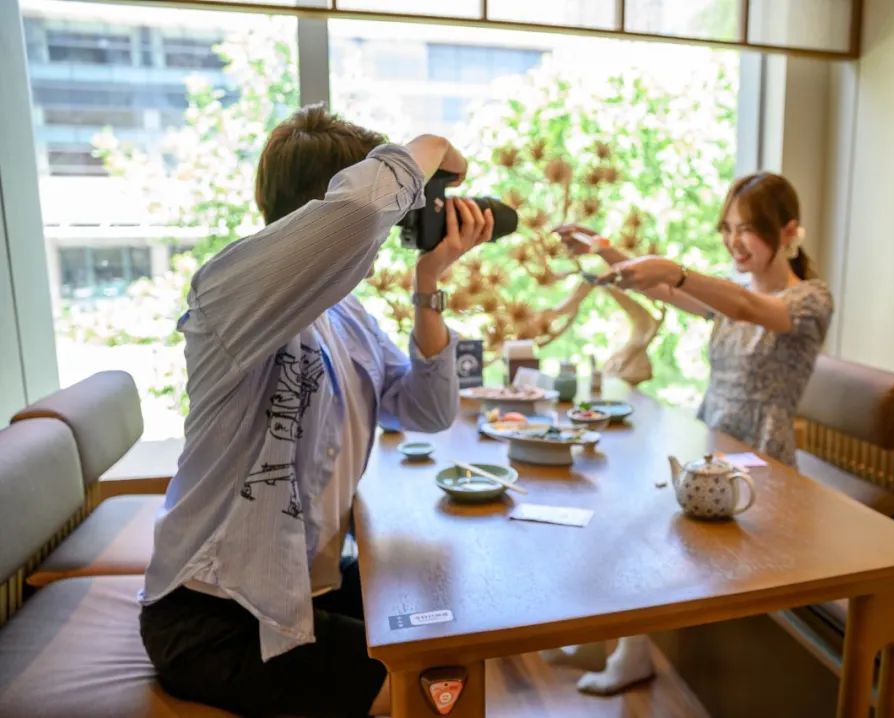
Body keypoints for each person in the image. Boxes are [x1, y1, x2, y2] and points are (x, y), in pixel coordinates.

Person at [138, 104, 494, 717]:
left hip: (306, 587)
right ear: (315, 213)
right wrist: (434, 143)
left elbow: (427, 410)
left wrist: (429, 282)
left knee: (447, 629)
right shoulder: (229, 291)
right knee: (433, 687)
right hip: (213, 614)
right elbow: (357, 214)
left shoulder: (346, 315)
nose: (390, 223)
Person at [547, 171, 834, 695]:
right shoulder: (733, 296)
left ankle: (625, 646)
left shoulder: (809, 301)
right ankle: (616, 640)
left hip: (760, 463)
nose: (733, 241)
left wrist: (677, 271)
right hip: (716, 444)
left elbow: (747, 307)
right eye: (727, 228)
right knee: (622, 503)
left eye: (748, 229)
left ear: (790, 232)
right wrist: (602, 248)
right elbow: (659, 286)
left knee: (645, 520)